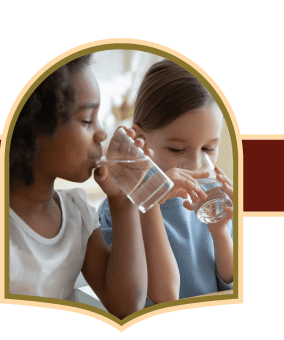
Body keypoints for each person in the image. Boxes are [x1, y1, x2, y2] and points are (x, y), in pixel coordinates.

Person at [9, 54, 154, 318]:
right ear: (32, 128)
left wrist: (122, 201)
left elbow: (127, 304)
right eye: (88, 120)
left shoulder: (77, 213)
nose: (102, 134)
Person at [98, 59, 234, 304]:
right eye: (177, 149)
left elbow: (230, 283)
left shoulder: (212, 203)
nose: (195, 164)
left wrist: (220, 232)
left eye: (208, 148)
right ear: (140, 139)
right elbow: (164, 298)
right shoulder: (119, 210)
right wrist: (150, 194)